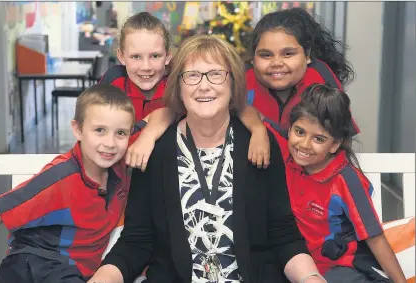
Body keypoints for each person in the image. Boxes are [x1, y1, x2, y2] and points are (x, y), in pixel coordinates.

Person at [88, 35, 326, 283]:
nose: (204, 86)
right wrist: (102, 278)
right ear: (178, 87)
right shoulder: (155, 151)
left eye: (215, 74)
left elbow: (283, 233)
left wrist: (311, 278)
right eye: (192, 75)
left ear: (233, 83)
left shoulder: (260, 146)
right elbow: (136, 241)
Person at [0, 84, 135, 283]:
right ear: (78, 130)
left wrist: (150, 134)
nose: (110, 142)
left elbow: (160, 116)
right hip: (35, 265)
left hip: (71, 271)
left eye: (121, 133)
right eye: (100, 130)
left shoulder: (120, 169)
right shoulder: (60, 176)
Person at [264, 84, 406, 283]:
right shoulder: (288, 155)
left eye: (319, 139)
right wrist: (255, 130)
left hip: (345, 268)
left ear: (335, 144)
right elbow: (253, 116)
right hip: (300, 265)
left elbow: (374, 236)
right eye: (299, 131)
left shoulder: (346, 179)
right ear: (290, 130)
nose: (304, 144)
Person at [100, 12, 270, 171]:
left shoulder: (179, 80)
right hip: (116, 166)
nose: (146, 67)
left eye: (155, 56)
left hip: (166, 167)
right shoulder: (113, 80)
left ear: (168, 56)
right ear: (121, 56)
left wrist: (258, 130)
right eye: (136, 57)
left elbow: (239, 108)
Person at [246, 7, 360, 133]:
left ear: (307, 55)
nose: (276, 63)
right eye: (266, 55)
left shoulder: (320, 77)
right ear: (253, 59)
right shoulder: (243, 81)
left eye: (288, 54)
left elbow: (342, 137)